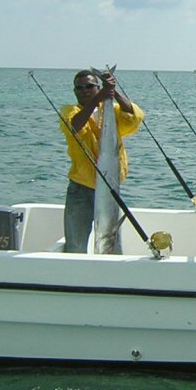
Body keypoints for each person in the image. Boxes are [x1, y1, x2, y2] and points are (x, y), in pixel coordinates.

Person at [59, 69, 143, 253]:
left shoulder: (111, 110)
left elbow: (133, 118)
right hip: (80, 188)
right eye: (79, 88)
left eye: (89, 86)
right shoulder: (70, 111)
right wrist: (99, 98)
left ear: (98, 87)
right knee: (76, 243)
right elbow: (74, 126)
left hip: (110, 187)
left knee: (111, 239)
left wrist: (113, 92)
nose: (84, 90)